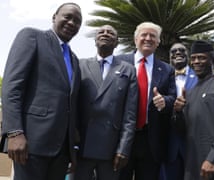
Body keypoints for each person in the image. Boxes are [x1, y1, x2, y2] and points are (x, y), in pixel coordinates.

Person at [0, 3, 82, 180]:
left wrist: (71, 151)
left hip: (61, 151)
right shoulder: (32, 36)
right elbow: (12, 86)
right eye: (67, 17)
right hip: (31, 144)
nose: (72, 23)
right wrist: (14, 132)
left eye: (77, 21)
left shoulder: (75, 59)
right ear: (54, 17)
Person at [73, 25, 138, 180]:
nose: (105, 34)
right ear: (95, 40)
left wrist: (123, 149)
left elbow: (130, 115)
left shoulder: (128, 69)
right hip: (82, 144)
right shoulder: (80, 65)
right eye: (101, 32)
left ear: (117, 43)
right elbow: (72, 105)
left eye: (111, 33)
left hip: (111, 147)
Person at [118, 22, 177, 180]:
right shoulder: (119, 62)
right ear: (135, 39)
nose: (148, 38)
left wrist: (165, 101)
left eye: (153, 36)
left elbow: (173, 97)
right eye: (144, 34)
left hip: (151, 139)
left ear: (158, 42)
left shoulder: (166, 69)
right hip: (121, 137)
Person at [174, 40, 214, 180]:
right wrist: (177, 112)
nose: (196, 61)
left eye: (202, 57)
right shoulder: (189, 92)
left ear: (212, 59)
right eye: (194, 58)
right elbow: (183, 130)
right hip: (192, 163)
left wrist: (213, 158)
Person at [159, 43, 198, 180]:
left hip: (193, 144)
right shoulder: (162, 78)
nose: (177, 53)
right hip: (168, 144)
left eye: (182, 50)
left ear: (188, 55)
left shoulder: (201, 77)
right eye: (173, 51)